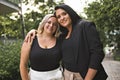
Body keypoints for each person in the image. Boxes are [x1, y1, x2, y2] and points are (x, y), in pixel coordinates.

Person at [25, 4, 108, 80]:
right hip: (67, 75)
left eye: (64, 14)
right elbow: (47, 35)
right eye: (59, 17)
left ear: (70, 13)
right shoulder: (62, 36)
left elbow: (98, 53)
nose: (62, 18)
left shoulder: (85, 26)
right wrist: (34, 31)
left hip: (86, 75)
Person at [20, 14, 63, 80]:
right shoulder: (31, 38)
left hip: (56, 77)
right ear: (44, 23)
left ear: (57, 27)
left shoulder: (60, 40)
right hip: (35, 77)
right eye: (49, 22)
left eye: (54, 24)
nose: (51, 25)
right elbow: (23, 65)